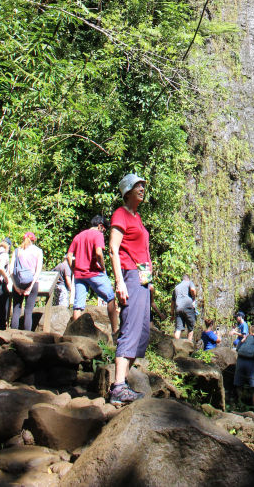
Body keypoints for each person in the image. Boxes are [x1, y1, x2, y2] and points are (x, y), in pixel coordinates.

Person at [108, 172, 151, 406]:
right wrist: (119, 282)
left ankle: (122, 383)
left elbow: (143, 252)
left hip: (143, 279)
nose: (142, 189)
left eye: (143, 186)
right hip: (130, 276)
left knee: (142, 333)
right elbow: (114, 249)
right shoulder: (121, 214)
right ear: (127, 191)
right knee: (130, 329)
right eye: (138, 186)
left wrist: (150, 281)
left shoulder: (137, 217)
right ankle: (118, 387)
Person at [67, 215, 119, 334]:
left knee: (78, 306)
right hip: (94, 272)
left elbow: (69, 256)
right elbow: (98, 252)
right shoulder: (97, 235)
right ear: (100, 226)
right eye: (104, 230)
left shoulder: (78, 236)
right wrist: (103, 267)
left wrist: (74, 269)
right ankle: (115, 331)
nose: (104, 232)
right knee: (110, 298)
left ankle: (76, 334)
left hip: (79, 275)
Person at [10, 232, 43, 331]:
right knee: (28, 311)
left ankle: (12, 334)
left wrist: (15, 286)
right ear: (34, 240)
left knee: (16, 310)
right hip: (32, 282)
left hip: (18, 282)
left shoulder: (17, 250)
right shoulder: (38, 251)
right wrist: (30, 286)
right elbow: (38, 270)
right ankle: (27, 335)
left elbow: (10, 270)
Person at [233, 324, 254, 409]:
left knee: (238, 384)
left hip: (240, 360)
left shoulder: (248, 335)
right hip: (250, 362)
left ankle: (239, 404)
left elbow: (238, 347)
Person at [172, 273, 197, 341]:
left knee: (178, 329)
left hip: (178, 308)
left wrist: (172, 314)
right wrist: (193, 298)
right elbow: (192, 290)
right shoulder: (189, 283)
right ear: (188, 279)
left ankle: (176, 346)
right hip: (188, 307)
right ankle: (189, 347)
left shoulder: (176, 287)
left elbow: (172, 303)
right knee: (190, 328)